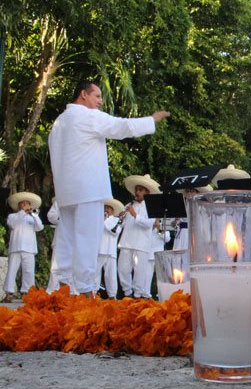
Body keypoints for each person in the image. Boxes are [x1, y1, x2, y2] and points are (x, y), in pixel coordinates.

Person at [48, 80, 169, 296]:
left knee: (66, 240)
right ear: (83, 94)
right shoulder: (86, 116)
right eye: (96, 96)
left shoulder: (59, 122)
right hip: (87, 189)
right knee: (88, 239)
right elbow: (121, 126)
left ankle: (62, 288)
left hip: (67, 191)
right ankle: (85, 291)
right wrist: (150, 120)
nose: (100, 102)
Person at [117, 174, 160, 298]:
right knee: (122, 269)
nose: (137, 192)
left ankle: (137, 296)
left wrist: (135, 215)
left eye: (140, 190)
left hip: (141, 243)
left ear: (147, 192)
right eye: (136, 190)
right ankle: (127, 294)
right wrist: (122, 216)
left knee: (139, 272)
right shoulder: (130, 205)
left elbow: (148, 224)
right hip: (126, 242)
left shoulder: (151, 206)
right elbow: (123, 224)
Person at [3, 192, 44, 302]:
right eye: (23, 203)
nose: (25, 205)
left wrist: (34, 215)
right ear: (19, 205)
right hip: (15, 247)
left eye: (27, 203)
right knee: (12, 270)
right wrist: (23, 212)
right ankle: (8, 293)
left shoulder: (33, 218)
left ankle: (27, 293)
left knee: (29, 272)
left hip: (29, 249)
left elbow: (40, 227)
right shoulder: (13, 216)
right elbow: (13, 224)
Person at [172, 184, 214, 251]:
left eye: (192, 191)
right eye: (187, 191)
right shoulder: (181, 204)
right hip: (182, 235)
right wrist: (176, 221)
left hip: (195, 234)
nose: (189, 193)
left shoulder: (202, 206)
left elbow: (204, 224)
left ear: (197, 192)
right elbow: (173, 224)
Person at [96, 199, 124, 299]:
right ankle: (93, 294)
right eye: (105, 207)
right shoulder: (99, 219)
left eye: (108, 208)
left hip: (111, 251)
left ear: (112, 210)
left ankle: (112, 296)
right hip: (100, 250)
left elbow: (114, 231)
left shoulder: (117, 220)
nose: (106, 210)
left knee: (111, 275)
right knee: (95, 273)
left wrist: (105, 219)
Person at [46, 197, 62, 293]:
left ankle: (72, 292)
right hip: (60, 239)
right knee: (55, 267)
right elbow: (51, 215)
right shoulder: (59, 201)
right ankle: (52, 291)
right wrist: (62, 218)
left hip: (75, 241)